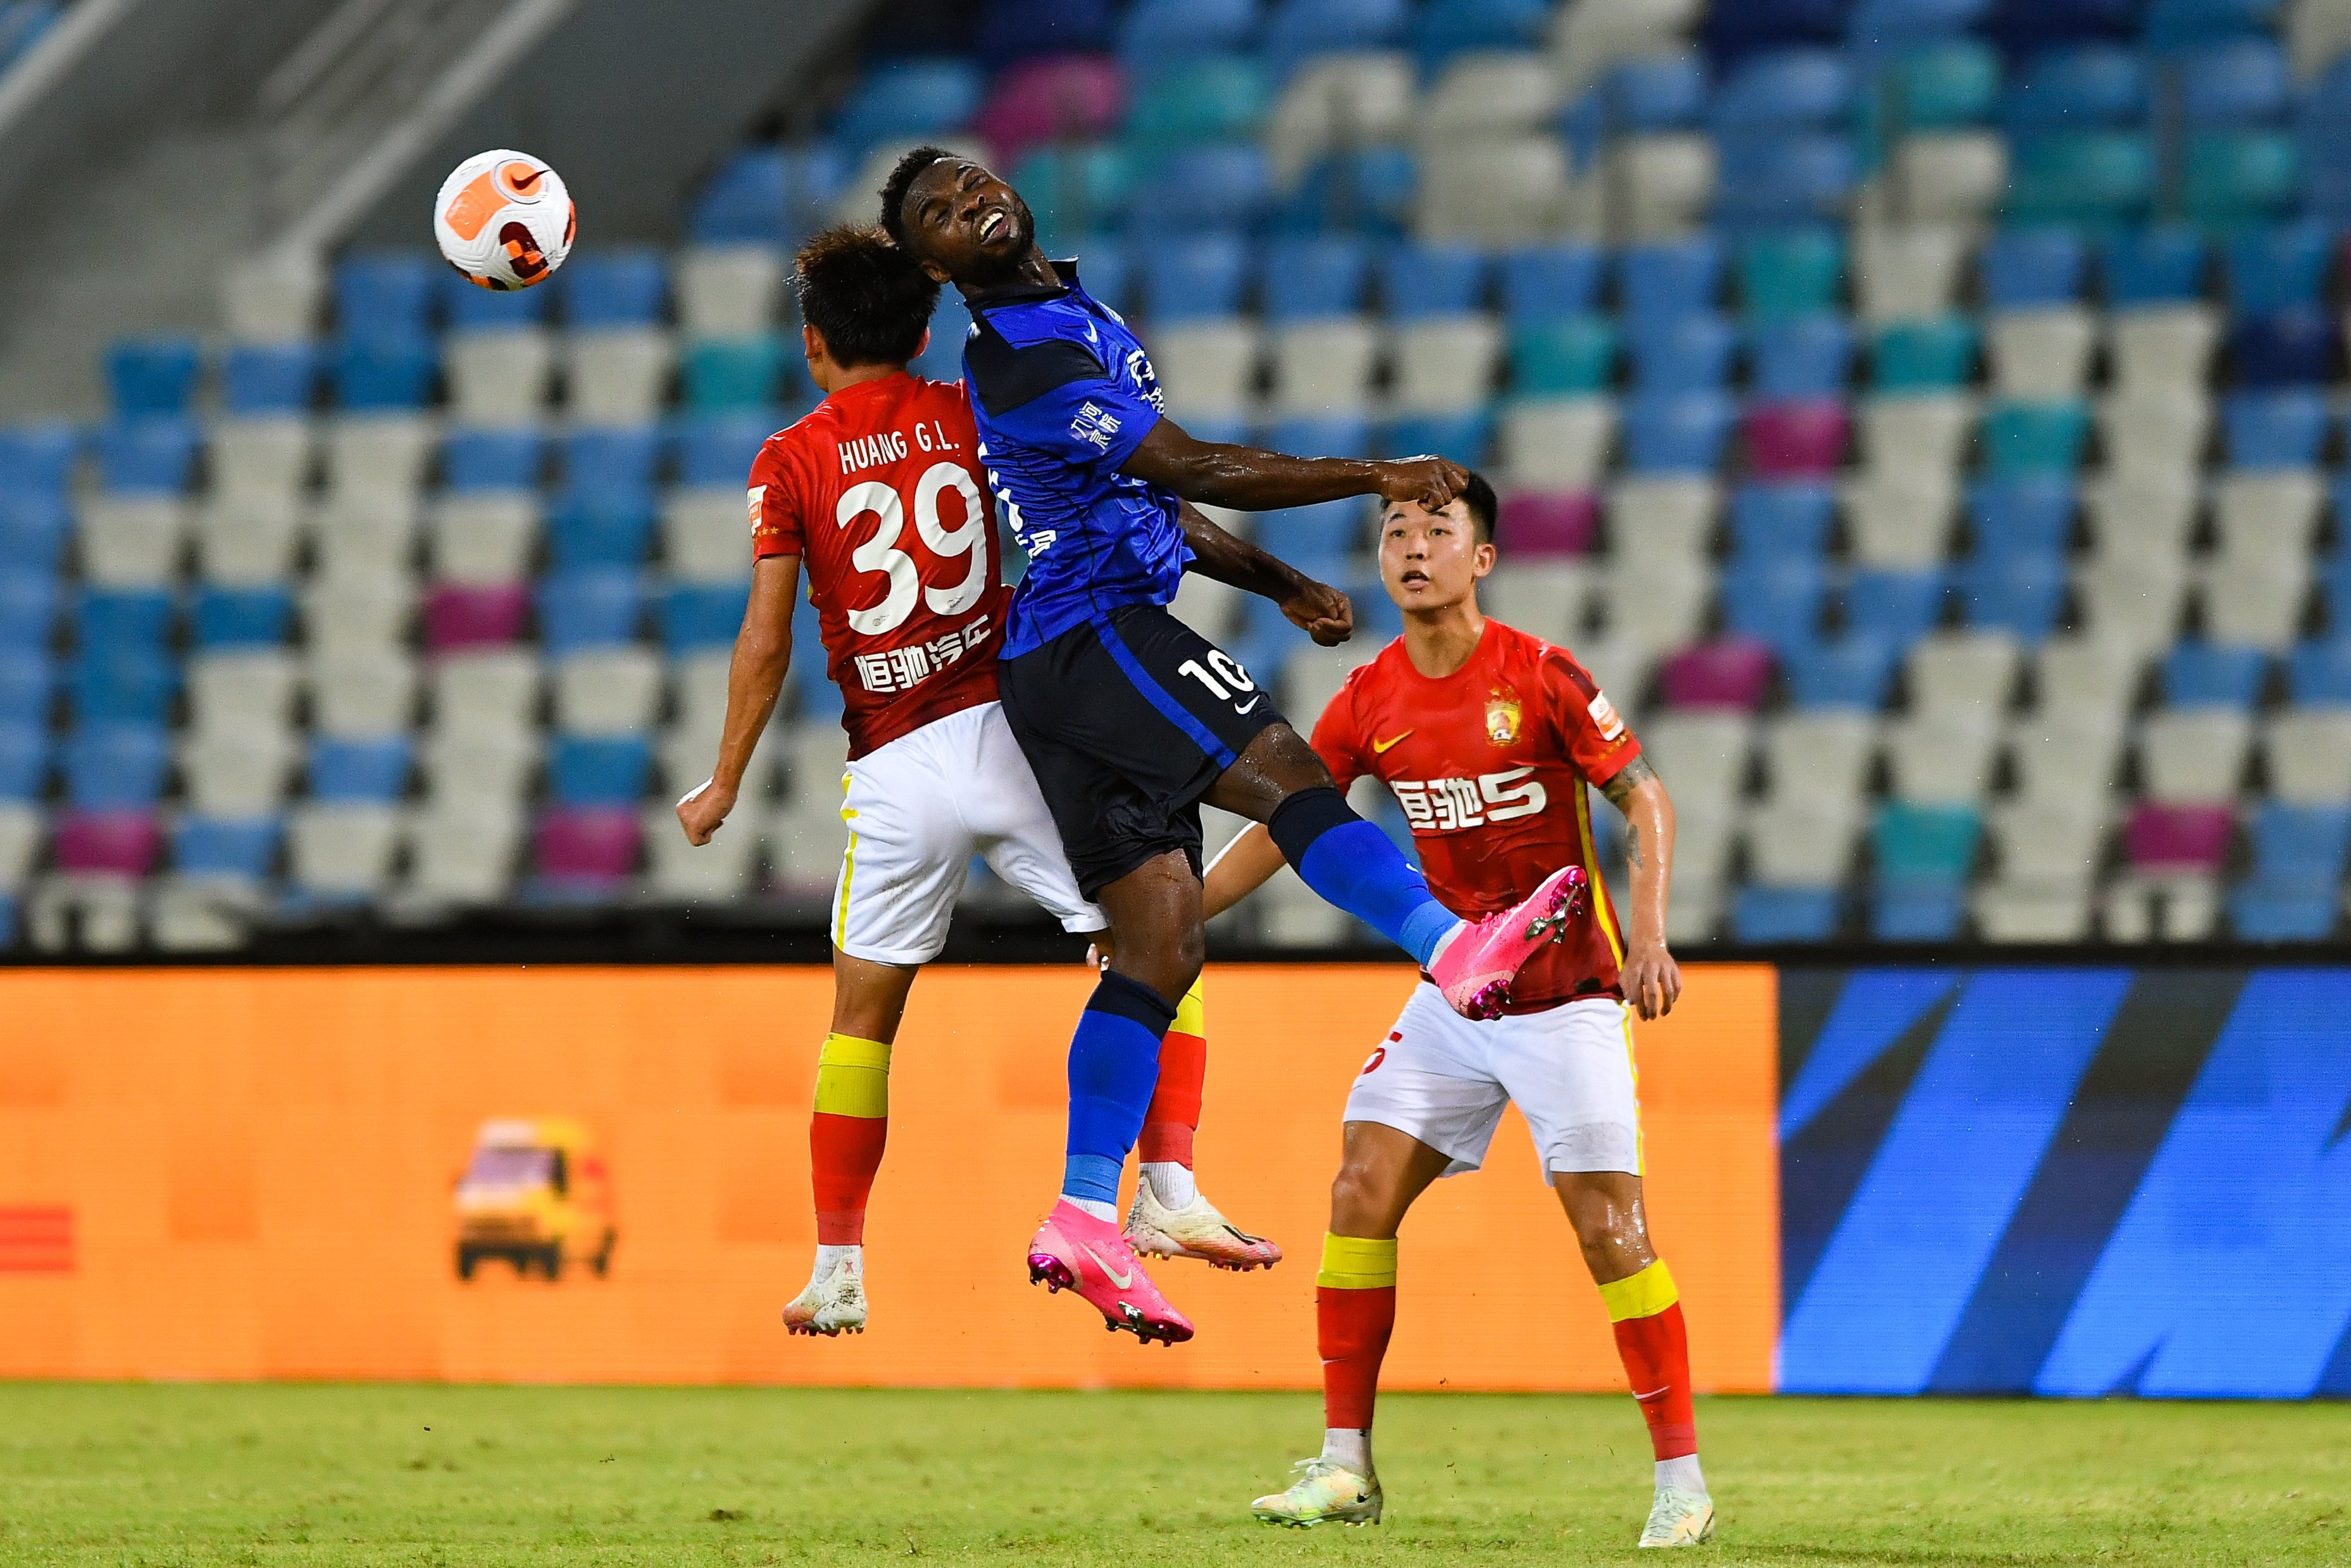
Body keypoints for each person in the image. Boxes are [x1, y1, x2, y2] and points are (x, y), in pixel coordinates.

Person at [880, 147, 1587, 1347]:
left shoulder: (1063, 313)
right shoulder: (1029, 350)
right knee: (1295, 779)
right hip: (1096, 636)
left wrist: (1279, 580)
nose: (971, 206)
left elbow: (1154, 493)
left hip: (1063, 658)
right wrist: (1379, 471)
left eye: (970, 184)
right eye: (940, 216)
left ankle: (1086, 1210)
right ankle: (1452, 946)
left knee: (1161, 941)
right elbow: (1193, 465)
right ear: (933, 267)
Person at [675, 226, 1276, 1339]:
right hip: (1015, 726)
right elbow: (1129, 507)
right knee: (1160, 938)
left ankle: (838, 1268)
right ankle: (1168, 1190)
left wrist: (722, 782)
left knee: (862, 1020)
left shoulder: (788, 458)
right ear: (921, 329)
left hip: (895, 764)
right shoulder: (977, 407)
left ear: (814, 348)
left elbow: (765, 641)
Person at [1204, 479, 1715, 1549]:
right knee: (1359, 1186)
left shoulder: (1539, 674)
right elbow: (1293, 821)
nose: (1413, 546)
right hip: (1455, 993)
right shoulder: (1369, 697)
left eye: (1439, 531)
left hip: (1568, 998)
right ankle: (1347, 1465)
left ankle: (1681, 1480)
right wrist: (1180, 914)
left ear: (1481, 560)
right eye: (1397, 530)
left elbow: (1645, 796)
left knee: (1609, 1232)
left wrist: (1652, 936)